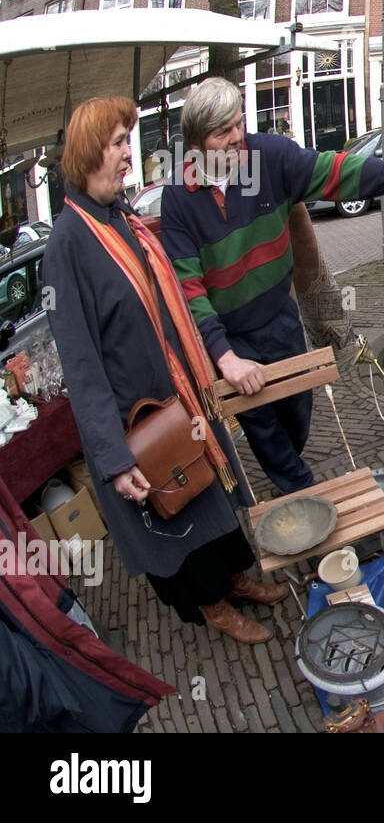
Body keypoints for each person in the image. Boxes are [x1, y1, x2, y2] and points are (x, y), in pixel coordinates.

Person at [44, 96, 287, 645]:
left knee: (212, 499)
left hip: (181, 397)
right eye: (118, 144)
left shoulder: (121, 218)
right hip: (142, 420)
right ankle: (211, 604)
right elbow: (80, 363)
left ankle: (234, 579)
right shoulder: (67, 245)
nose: (129, 155)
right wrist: (111, 457)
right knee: (179, 519)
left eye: (128, 142)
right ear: (88, 154)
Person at [161, 78, 384, 493]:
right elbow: (187, 285)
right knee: (260, 423)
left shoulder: (271, 157)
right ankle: (304, 491)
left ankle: (295, 468)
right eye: (223, 132)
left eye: (239, 124)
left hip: (280, 316)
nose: (237, 138)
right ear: (196, 142)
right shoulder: (178, 196)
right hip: (231, 335)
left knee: (297, 411)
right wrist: (223, 357)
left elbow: (337, 170)